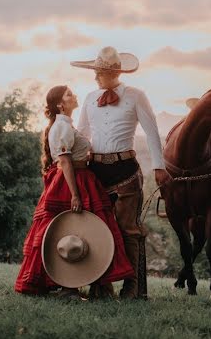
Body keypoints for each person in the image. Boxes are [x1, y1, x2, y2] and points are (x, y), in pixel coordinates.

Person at [14, 84, 134, 295]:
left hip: (82, 177)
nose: (74, 95)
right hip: (71, 182)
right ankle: (67, 284)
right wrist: (76, 195)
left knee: (89, 230)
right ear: (61, 104)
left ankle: (93, 283)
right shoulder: (61, 127)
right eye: (69, 94)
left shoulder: (67, 125)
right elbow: (66, 162)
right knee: (67, 230)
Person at [72, 46, 171, 300]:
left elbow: (151, 132)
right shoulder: (89, 97)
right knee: (97, 230)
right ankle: (100, 287)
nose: (95, 77)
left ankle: (134, 289)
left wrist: (158, 166)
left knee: (129, 231)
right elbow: (82, 134)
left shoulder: (136, 96)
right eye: (95, 72)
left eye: (100, 72)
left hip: (126, 170)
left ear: (114, 72)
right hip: (96, 172)